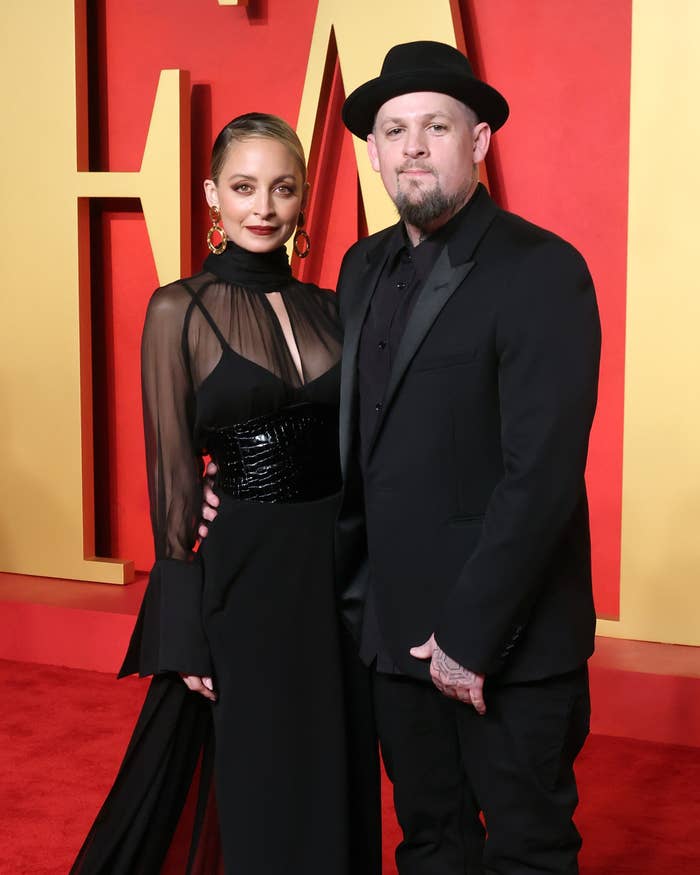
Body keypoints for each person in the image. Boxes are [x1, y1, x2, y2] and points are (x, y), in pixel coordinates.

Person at [206, 41, 601, 874]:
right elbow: (347, 434)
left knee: (528, 851)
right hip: (387, 637)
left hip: (507, 646)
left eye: (435, 126)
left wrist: (469, 636)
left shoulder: (543, 270)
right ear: (375, 151)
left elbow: (543, 477)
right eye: (393, 130)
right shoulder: (359, 267)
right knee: (429, 844)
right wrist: (231, 480)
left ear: (480, 140)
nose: (412, 146)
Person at [71, 113, 380, 875]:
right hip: (245, 577)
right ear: (213, 195)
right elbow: (174, 483)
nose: (263, 207)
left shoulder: (335, 306)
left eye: (282, 188)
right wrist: (183, 633)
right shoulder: (178, 309)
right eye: (243, 188)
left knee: (334, 765)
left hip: (336, 578)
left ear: (305, 195)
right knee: (260, 774)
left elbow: (363, 451)